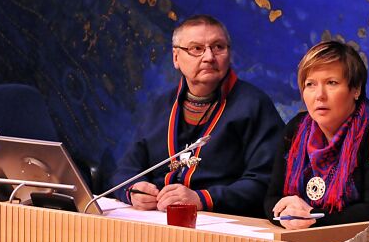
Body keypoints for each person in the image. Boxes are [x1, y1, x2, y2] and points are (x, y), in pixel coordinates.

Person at [111, 14, 283, 217]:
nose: (209, 57)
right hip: (157, 218)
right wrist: (133, 191)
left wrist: (202, 199)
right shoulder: (160, 106)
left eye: (218, 47)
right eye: (196, 49)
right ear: (176, 57)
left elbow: (266, 182)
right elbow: (125, 170)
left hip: (224, 224)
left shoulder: (254, 105)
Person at [265, 40, 369, 229]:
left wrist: (310, 218)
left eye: (331, 83)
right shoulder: (296, 129)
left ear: (356, 89)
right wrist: (285, 212)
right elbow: (272, 197)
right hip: (302, 237)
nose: (320, 95)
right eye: (310, 84)